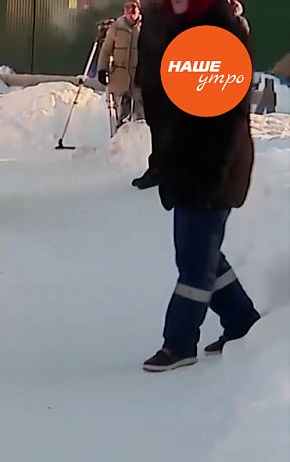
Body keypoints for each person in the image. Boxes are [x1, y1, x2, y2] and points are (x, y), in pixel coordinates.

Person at [141, 0, 261, 372]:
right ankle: (243, 323)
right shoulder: (172, 26)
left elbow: (230, 116)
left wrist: (213, 171)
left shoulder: (222, 30)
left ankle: (179, 342)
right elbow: (168, 101)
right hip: (187, 159)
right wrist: (164, 157)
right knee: (202, 254)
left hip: (216, 165)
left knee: (194, 260)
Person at [132, 0, 169, 190]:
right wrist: (140, 77)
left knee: (167, 127)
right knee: (155, 125)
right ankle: (156, 168)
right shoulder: (150, 13)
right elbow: (144, 48)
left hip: (167, 81)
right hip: (150, 79)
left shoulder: (170, 13)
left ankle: (165, 170)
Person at [97, 0, 144, 131]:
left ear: (139, 9)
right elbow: (106, 50)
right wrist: (102, 69)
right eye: (127, 7)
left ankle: (139, 145)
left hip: (139, 79)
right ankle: (120, 144)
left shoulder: (145, 28)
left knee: (141, 119)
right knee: (122, 116)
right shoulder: (116, 28)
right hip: (120, 79)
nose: (131, 10)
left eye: (134, 7)